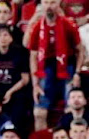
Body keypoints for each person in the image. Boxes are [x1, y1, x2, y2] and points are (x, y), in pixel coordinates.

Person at [27, 0, 83, 131]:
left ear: (58, 4)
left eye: (52, 3)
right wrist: (35, 84)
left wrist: (77, 73)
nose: (49, 6)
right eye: (46, 3)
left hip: (67, 66)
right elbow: (33, 56)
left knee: (71, 111)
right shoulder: (37, 28)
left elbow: (80, 51)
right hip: (44, 69)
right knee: (39, 113)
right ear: (42, 5)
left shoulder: (68, 25)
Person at [0, 25, 29, 132]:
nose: (2, 38)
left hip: (16, 91)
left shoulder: (20, 53)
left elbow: (25, 79)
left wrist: (10, 92)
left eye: (5, 35)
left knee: (18, 113)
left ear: (11, 38)